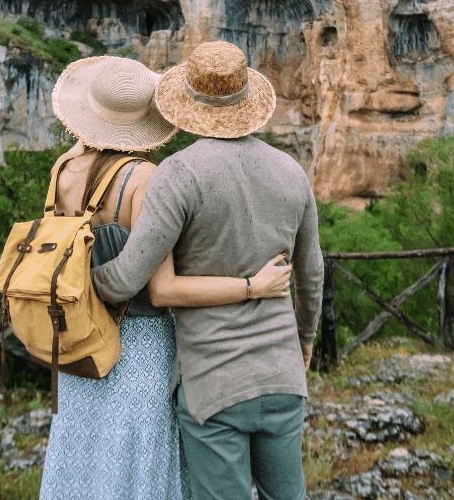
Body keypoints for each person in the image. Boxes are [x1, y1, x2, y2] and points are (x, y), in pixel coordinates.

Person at [38, 55, 293, 500]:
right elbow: (163, 291)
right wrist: (253, 286)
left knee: (90, 465)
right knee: (142, 467)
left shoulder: (63, 169)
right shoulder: (145, 179)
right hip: (136, 349)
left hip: (79, 339)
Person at [92, 40, 324, 500]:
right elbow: (312, 274)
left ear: (189, 103)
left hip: (213, 386)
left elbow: (127, 279)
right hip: (282, 376)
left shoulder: (178, 174)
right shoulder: (291, 171)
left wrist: (73, 280)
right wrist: (304, 341)